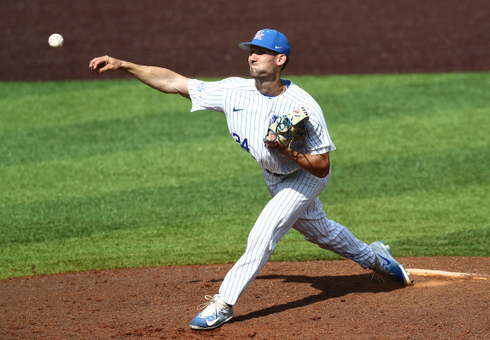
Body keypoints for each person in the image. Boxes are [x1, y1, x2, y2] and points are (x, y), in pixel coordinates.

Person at [89, 28, 413, 331]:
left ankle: (224, 303)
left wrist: (287, 151)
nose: (252, 57)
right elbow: (174, 82)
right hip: (273, 177)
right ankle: (376, 258)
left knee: (264, 231)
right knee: (322, 233)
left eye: (261, 52)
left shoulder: (304, 107)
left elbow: (322, 167)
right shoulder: (233, 90)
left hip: (304, 176)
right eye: (251, 51)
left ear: (280, 60)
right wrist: (123, 64)